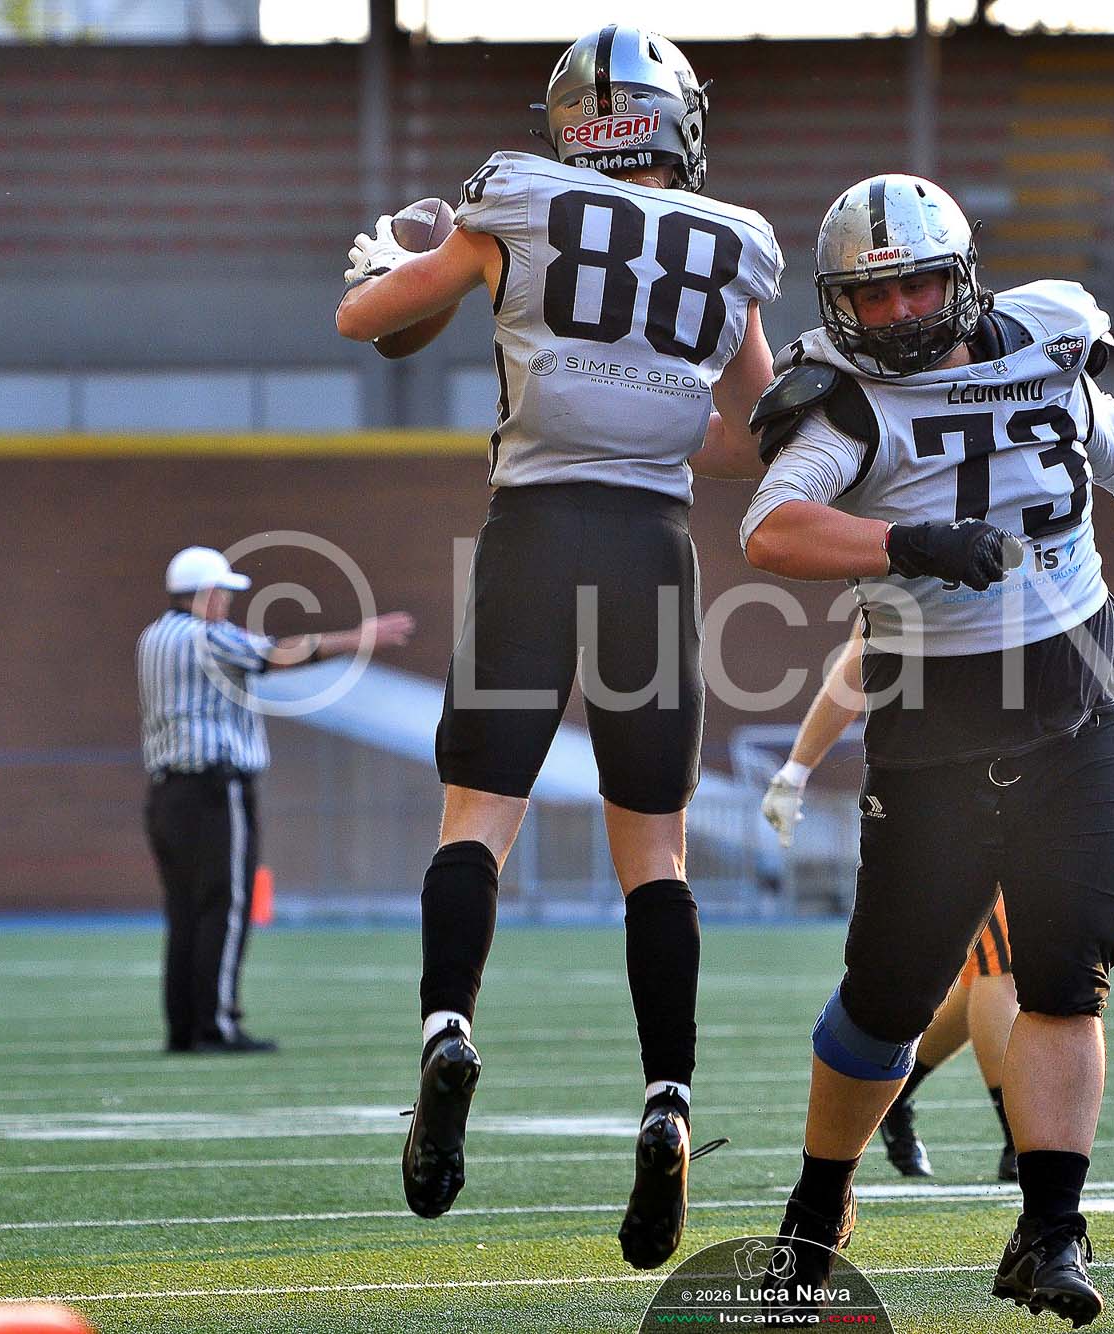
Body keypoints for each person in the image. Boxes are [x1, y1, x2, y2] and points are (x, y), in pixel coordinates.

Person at [741, 174, 1114, 1325]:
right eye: (871, 295)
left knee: (1064, 976)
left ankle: (1051, 1230)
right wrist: (906, 540)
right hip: (932, 726)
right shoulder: (844, 402)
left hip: (1079, 703)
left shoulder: (1048, 346)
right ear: (839, 304)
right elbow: (770, 529)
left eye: (915, 286)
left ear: (959, 279)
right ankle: (817, 1203)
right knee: (886, 1000)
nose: (897, 312)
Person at [333, 25, 782, 1270]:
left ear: (573, 121)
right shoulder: (732, 238)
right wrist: (650, 405)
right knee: (655, 854)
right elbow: (748, 433)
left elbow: (366, 318)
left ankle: (446, 1028)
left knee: (476, 820)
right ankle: (666, 1100)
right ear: (674, 121)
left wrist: (393, 260)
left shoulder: (515, 200)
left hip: (530, 533)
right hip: (650, 548)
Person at [761, 634, 1114, 1183]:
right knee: (999, 968)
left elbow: (1080, 642)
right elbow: (859, 653)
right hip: (956, 781)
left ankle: (905, 1094)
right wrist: (796, 769)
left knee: (991, 973)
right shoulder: (920, 585)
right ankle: (1019, 1135)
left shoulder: (1044, 583)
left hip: (1050, 773)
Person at [137, 545, 415, 1054]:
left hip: (166, 792)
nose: (227, 603)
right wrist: (356, 639)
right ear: (206, 593)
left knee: (184, 910)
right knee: (225, 905)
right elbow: (278, 654)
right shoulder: (207, 637)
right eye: (223, 593)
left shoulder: (153, 637)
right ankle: (215, 1024)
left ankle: (184, 1026)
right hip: (214, 788)